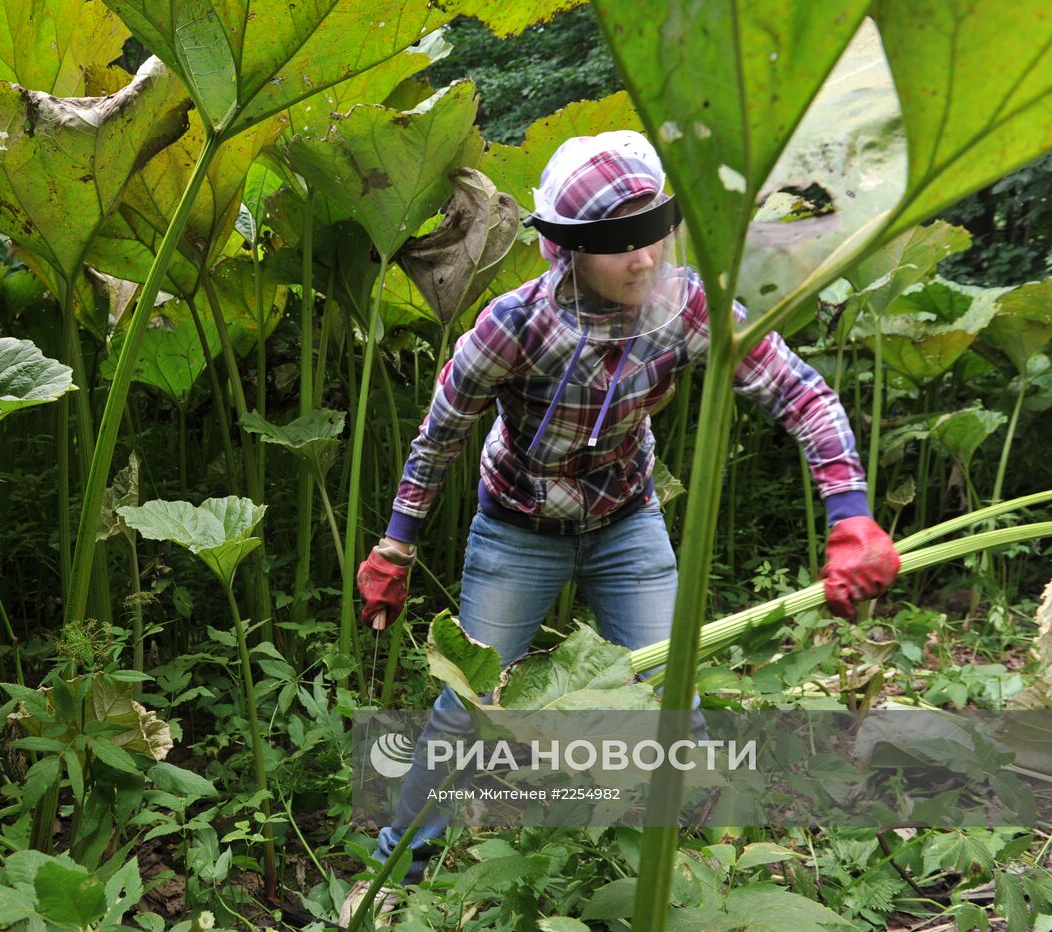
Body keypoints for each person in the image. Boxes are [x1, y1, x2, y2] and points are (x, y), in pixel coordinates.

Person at [343, 131, 900, 917]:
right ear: (568, 250)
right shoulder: (514, 325)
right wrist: (395, 546)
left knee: (676, 695)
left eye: (656, 230)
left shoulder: (686, 305)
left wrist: (851, 517)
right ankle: (393, 873)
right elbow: (440, 433)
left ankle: (713, 872)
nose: (645, 258)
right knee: (463, 710)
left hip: (625, 522)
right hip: (517, 529)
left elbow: (800, 392)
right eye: (618, 243)